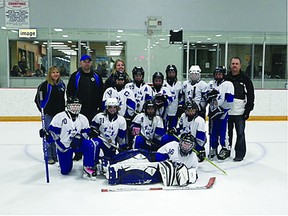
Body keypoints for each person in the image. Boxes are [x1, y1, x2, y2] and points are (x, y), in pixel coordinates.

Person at [44, 97, 97, 180]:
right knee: (65, 171)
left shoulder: (83, 118)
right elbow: (52, 136)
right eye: (73, 105)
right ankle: (64, 163)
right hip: (63, 147)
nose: (75, 108)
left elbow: (86, 134)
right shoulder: (59, 117)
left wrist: (81, 137)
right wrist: (46, 135)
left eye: (77, 105)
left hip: (77, 145)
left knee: (89, 144)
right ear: (68, 106)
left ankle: (88, 167)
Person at [66, 54, 104, 161]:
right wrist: (71, 108)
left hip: (93, 110)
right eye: (84, 61)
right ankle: (78, 152)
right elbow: (70, 92)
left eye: (88, 61)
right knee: (78, 131)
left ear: (91, 63)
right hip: (78, 110)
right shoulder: (75, 76)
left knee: (93, 131)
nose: (86, 63)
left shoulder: (96, 76)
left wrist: (100, 108)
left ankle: (93, 152)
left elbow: (101, 92)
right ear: (80, 63)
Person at [34, 66, 66, 164]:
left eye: (57, 72)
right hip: (49, 114)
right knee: (48, 135)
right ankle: (48, 156)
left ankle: (55, 155)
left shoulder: (62, 85)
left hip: (59, 115)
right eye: (53, 72)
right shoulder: (44, 85)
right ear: (49, 74)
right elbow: (38, 100)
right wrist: (43, 110)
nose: (56, 74)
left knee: (56, 135)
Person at [226, 57, 255, 161]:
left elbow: (251, 95)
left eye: (236, 63)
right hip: (227, 112)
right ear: (230, 65)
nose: (234, 65)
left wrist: (248, 110)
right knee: (227, 134)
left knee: (240, 133)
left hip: (240, 112)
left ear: (240, 65)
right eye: (233, 63)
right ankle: (226, 150)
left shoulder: (245, 79)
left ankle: (240, 153)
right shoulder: (226, 78)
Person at [205, 66, 234, 160]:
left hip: (223, 112)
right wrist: (208, 97)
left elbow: (230, 100)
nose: (218, 75)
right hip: (213, 112)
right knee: (212, 131)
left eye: (220, 74)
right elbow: (205, 96)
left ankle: (224, 148)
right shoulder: (210, 84)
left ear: (223, 74)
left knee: (223, 131)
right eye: (216, 74)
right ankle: (213, 148)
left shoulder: (228, 84)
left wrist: (223, 109)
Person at [90, 98, 127, 165]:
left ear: (117, 108)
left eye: (114, 107)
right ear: (106, 108)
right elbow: (92, 128)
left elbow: (121, 137)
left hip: (111, 144)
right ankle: (92, 164)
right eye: (110, 107)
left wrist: (122, 147)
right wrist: (93, 132)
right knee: (95, 143)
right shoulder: (99, 117)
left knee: (111, 161)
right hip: (101, 140)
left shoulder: (121, 120)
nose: (112, 109)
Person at [163, 64, 182, 130]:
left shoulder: (179, 84)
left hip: (175, 111)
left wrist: (180, 106)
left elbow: (181, 97)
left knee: (172, 130)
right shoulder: (163, 83)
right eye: (170, 72)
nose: (171, 74)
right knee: (163, 128)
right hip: (165, 111)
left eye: (173, 72)